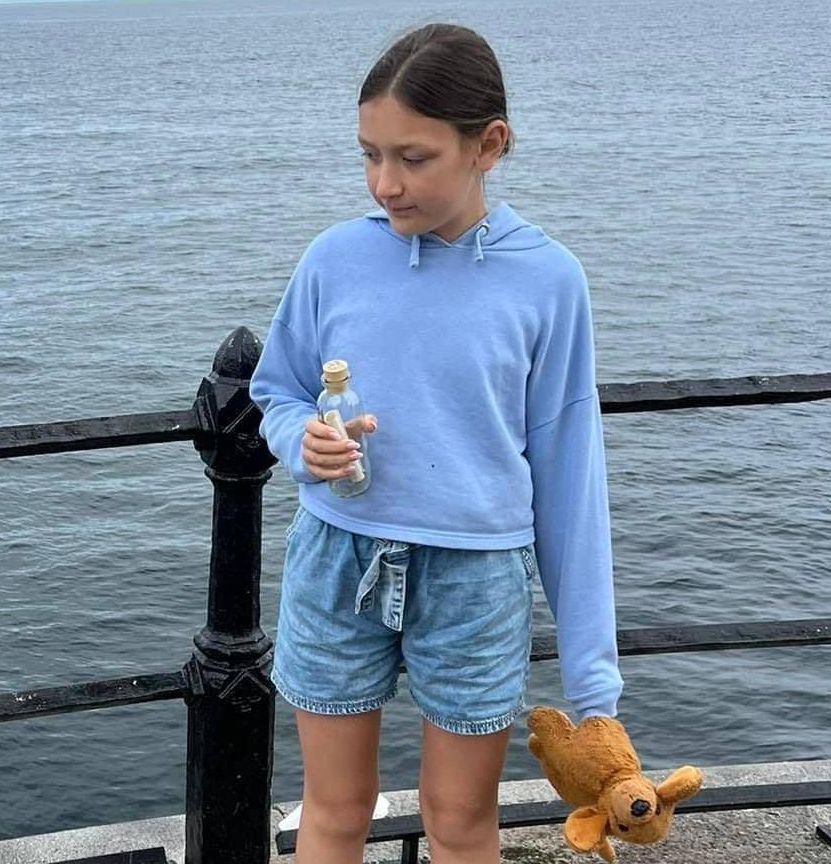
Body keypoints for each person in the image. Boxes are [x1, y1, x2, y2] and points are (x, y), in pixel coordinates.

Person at [249, 23, 622, 864]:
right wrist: (299, 442)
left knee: (460, 827)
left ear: (488, 145)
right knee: (332, 815)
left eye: (413, 158)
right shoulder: (334, 258)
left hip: (478, 575)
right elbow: (276, 389)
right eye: (369, 155)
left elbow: (570, 474)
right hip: (335, 557)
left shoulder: (549, 279)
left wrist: (593, 685)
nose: (386, 183)